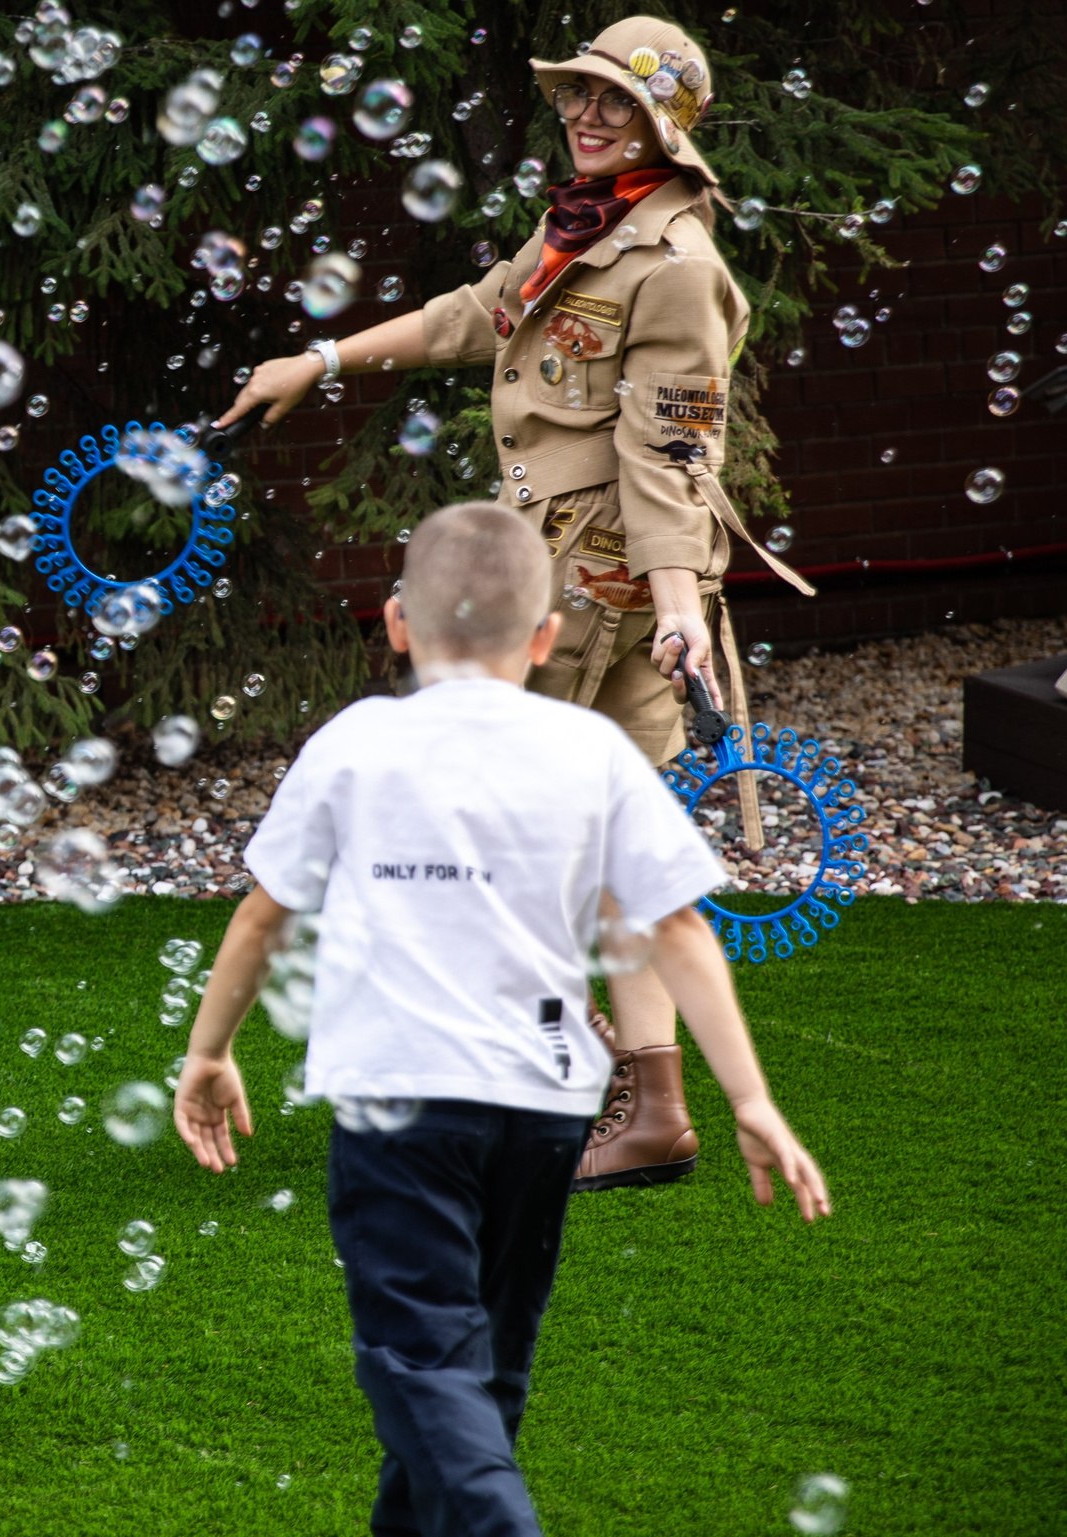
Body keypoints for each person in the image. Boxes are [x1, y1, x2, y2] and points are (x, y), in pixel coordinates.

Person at [216, 15, 810, 1191]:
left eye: (616, 105)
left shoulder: (673, 265)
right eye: (579, 97)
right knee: (603, 844)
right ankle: (637, 1096)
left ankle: (574, 1061)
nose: (588, 118)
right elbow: (470, 315)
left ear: (665, 126)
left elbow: (671, 458)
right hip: (580, 568)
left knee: (501, 817)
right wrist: (317, 362)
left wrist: (679, 602)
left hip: (604, 580)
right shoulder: (584, 225)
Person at [169, 502, 830, 1537]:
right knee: (486, 1372)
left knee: (417, 1360)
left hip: (396, 1102)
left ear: (395, 623)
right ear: (544, 637)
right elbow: (682, 932)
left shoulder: (352, 742)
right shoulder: (590, 749)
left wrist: (209, 1052)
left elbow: (263, 913)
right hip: (543, 1105)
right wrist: (748, 1098)